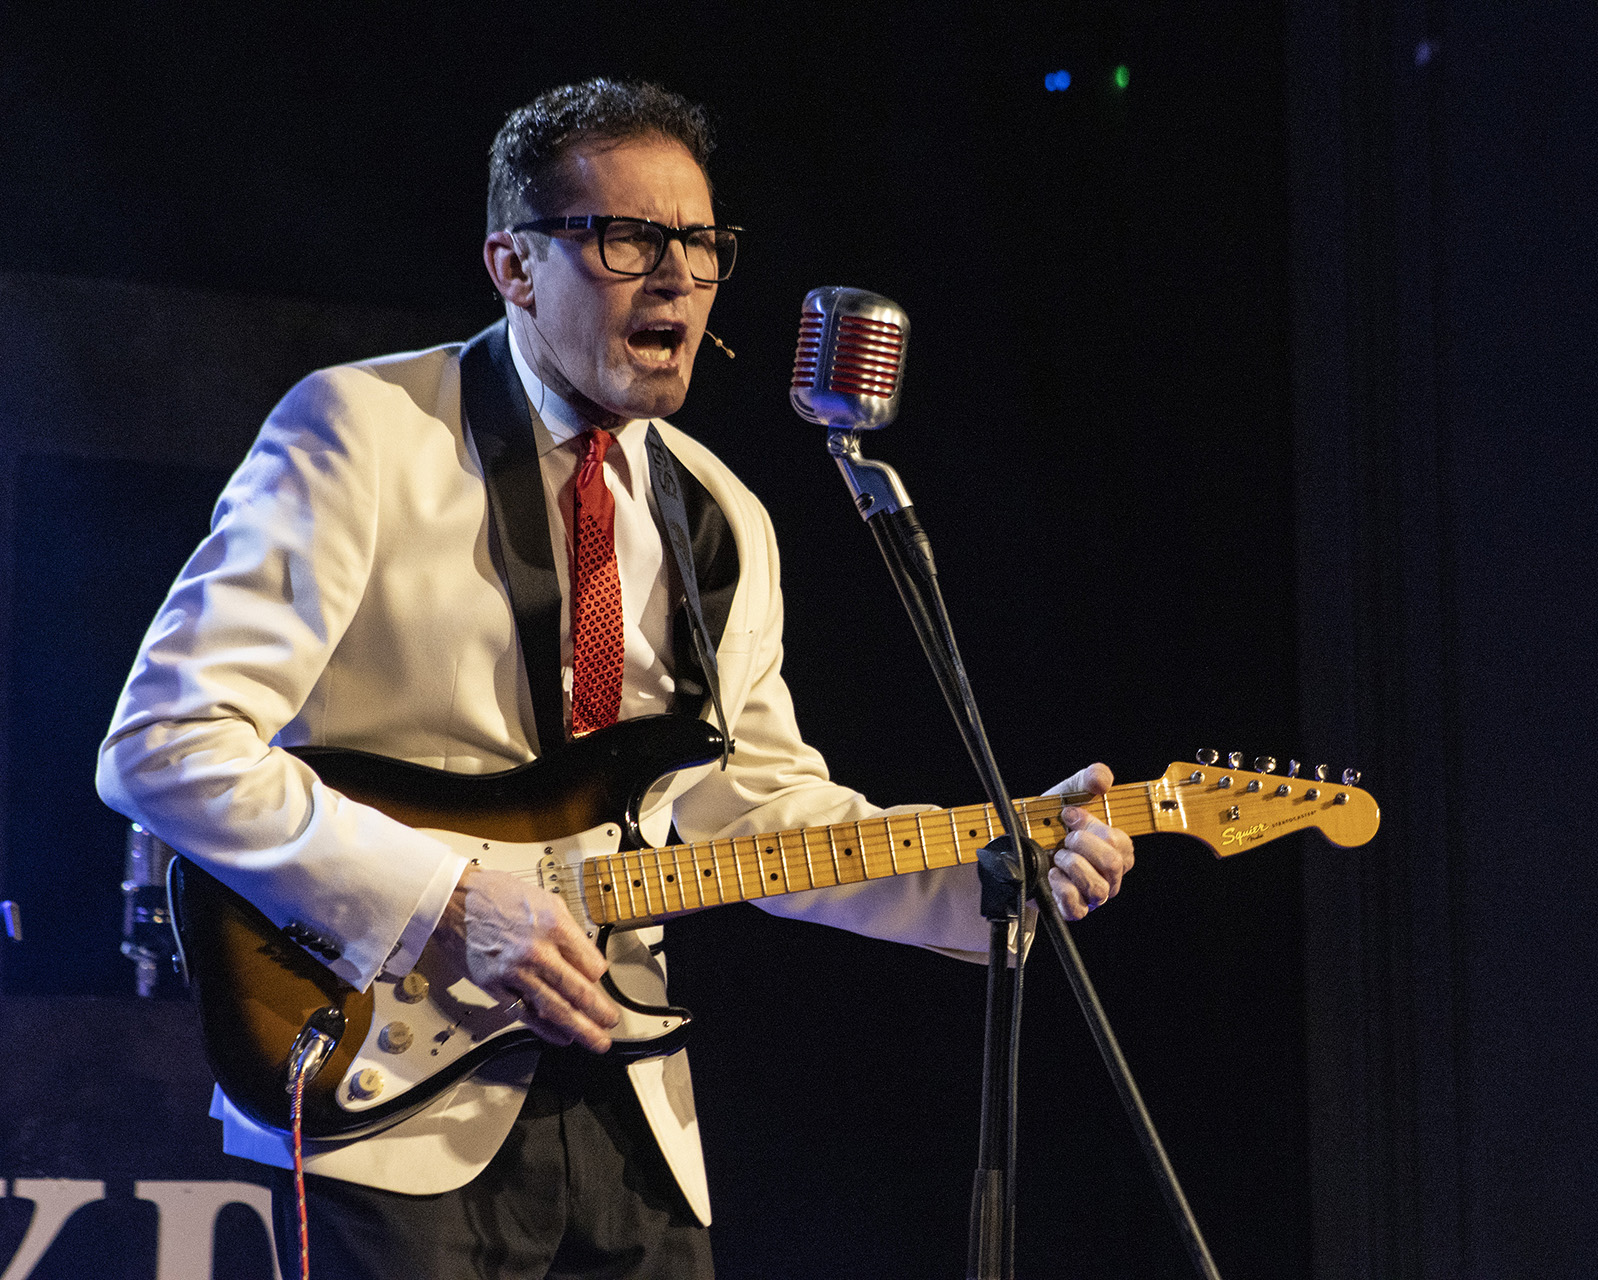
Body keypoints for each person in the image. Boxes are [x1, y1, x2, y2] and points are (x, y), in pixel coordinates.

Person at [95, 79, 1133, 1279]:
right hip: (389, 1096)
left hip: (634, 1103)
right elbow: (167, 742)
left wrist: (988, 870)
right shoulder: (363, 431)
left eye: (701, 243)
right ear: (514, 264)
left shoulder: (720, 514)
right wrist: (455, 898)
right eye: (626, 237)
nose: (678, 276)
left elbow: (758, 807)